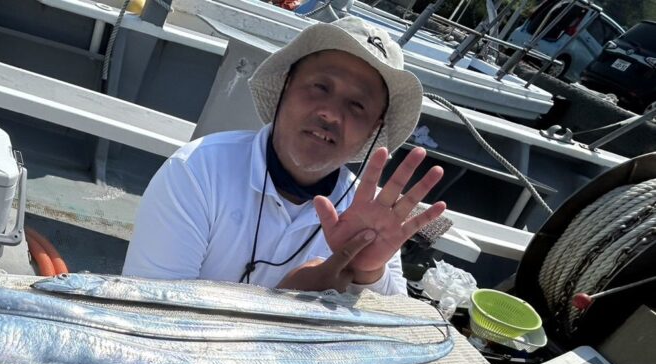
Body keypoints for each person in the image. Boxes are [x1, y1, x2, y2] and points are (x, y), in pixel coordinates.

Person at [122, 17, 446, 296]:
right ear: (286, 87)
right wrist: (287, 299)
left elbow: (395, 328)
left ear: (374, 130)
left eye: (357, 105)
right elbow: (148, 317)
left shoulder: (373, 215)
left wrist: (368, 271)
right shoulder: (196, 171)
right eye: (320, 86)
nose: (331, 114)